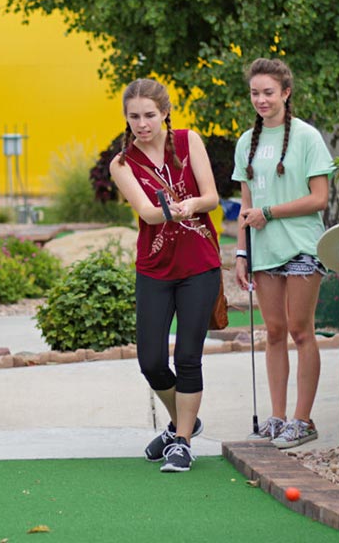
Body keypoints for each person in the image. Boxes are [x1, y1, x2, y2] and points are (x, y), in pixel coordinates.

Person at [109, 78, 221, 472]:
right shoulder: (122, 163)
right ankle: (181, 423)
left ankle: (184, 442)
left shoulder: (190, 142)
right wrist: (169, 211)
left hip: (199, 264)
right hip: (155, 268)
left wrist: (190, 203)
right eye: (134, 116)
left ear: (165, 112)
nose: (142, 124)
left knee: (188, 357)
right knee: (151, 360)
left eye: (149, 115)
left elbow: (212, 197)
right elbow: (147, 211)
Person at [232, 58, 334, 449]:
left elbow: (320, 199)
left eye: (268, 92)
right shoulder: (247, 142)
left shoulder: (307, 137)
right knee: (274, 332)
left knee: (299, 331)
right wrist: (242, 253)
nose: (261, 99)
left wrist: (270, 212)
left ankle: (303, 420)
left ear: (286, 93)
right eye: (255, 93)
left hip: (303, 246)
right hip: (265, 251)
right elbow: (245, 203)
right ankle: (276, 418)